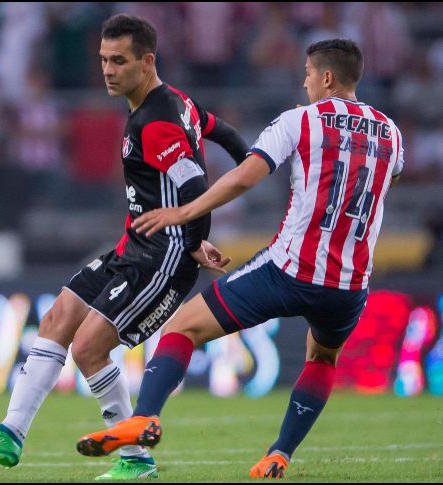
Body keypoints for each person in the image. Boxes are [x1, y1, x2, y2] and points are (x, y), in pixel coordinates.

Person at [75, 39, 405, 480]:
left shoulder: (301, 121)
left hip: (288, 269)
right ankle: (280, 454)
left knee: (183, 327)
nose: (304, 82)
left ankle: (146, 416)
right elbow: (387, 183)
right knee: (323, 359)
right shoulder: (391, 133)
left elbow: (244, 177)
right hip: (349, 284)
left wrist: (185, 212)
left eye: (307, 73)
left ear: (326, 78)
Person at [0, 14, 249, 480]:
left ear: (147, 62)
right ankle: (10, 433)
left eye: (119, 61)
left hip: (161, 258)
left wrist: (192, 243)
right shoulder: (176, 102)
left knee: (88, 348)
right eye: (104, 60)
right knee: (57, 318)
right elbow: (224, 133)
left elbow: (193, 189)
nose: (108, 70)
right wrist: (250, 162)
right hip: (132, 247)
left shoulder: (156, 122)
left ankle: (135, 459)